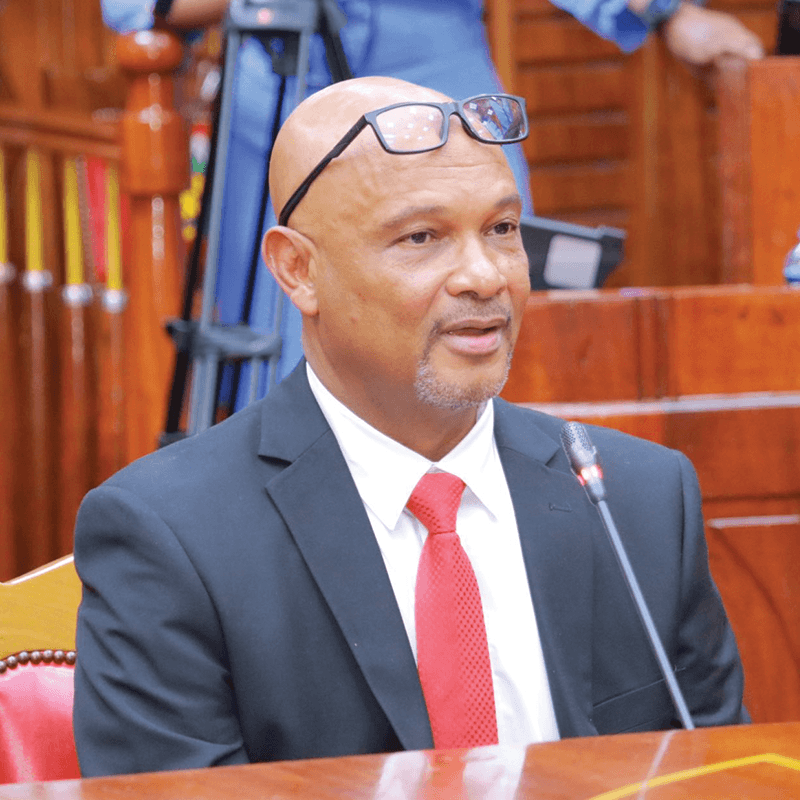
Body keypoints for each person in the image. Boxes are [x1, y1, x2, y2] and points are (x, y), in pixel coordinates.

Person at [73, 75, 746, 776]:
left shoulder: (637, 499)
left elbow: (720, 775)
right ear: (298, 270)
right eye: (422, 237)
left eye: (502, 230)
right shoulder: (171, 535)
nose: (485, 277)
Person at [104, 0, 763, 397]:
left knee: (480, 296)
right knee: (280, 335)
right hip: (276, 94)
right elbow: (140, 9)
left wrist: (669, 12)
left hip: (440, 77)